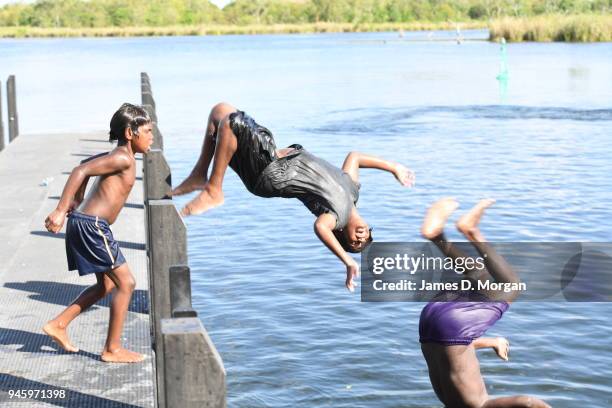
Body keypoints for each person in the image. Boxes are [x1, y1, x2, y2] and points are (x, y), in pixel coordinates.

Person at [173, 102, 415, 291]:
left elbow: (320, 228)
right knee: (220, 112)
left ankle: (214, 190)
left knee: (232, 122)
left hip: (269, 174)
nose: (361, 237)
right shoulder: (352, 190)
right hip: (274, 158)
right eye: (366, 237)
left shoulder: (334, 218)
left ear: (341, 234)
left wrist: (347, 261)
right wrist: (393, 167)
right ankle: (199, 174)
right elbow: (355, 157)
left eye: (354, 243)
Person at [42, 103, 153, 363]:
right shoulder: (123, 158)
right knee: (126, 283)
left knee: (107, 284)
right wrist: (61, 209)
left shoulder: (118, 155)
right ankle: (112, 349)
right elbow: (81, 170)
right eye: (147, 131)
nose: (151, 137)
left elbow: (85, 163)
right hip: (92, 226)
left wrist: (77, 199)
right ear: (130, 133)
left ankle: (58, 324)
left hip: (87, 223)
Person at [418, 198, 551, 408]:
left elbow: (528, 403)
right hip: (430, 324)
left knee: (511, 285)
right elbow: (454, 350)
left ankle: (463, 232)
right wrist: (492, 342)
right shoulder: (448, 399)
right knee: (479, 277)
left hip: (451, 328)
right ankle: (442, 236)